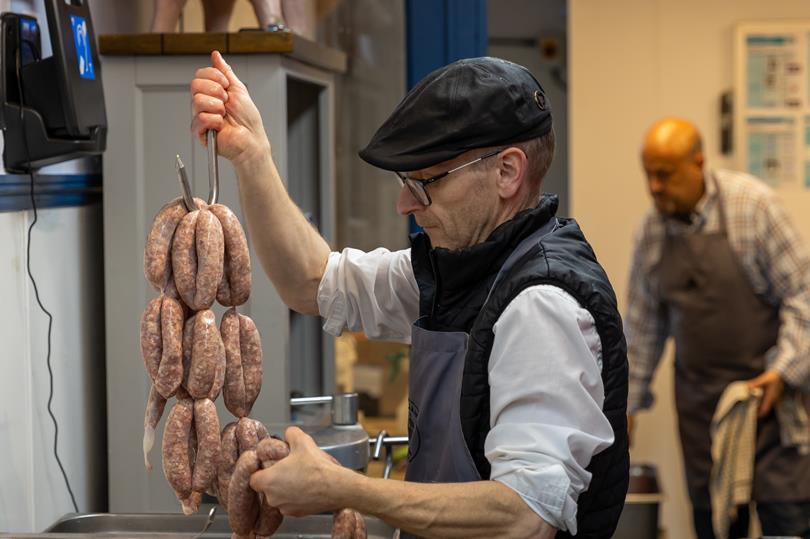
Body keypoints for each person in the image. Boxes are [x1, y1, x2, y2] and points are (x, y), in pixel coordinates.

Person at [190, 51, 629, 538]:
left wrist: (343, 489)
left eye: (425, 183)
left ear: (507, 172)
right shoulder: (461, 266)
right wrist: (253, 154)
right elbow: (312, 283)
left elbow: (525, 515)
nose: (405, 204)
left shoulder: (541, 305)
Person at [625, 117, 810, 538]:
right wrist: (628, 406)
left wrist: (783, 372)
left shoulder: (753, 208)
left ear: (699, 163)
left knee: (788, 522)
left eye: (665, 174)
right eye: (649, 174)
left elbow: (804, 295)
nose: (654, 187)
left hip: (770, 403)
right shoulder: (652, 232)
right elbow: (642, 329)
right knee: (714, 524)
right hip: (702, 411)